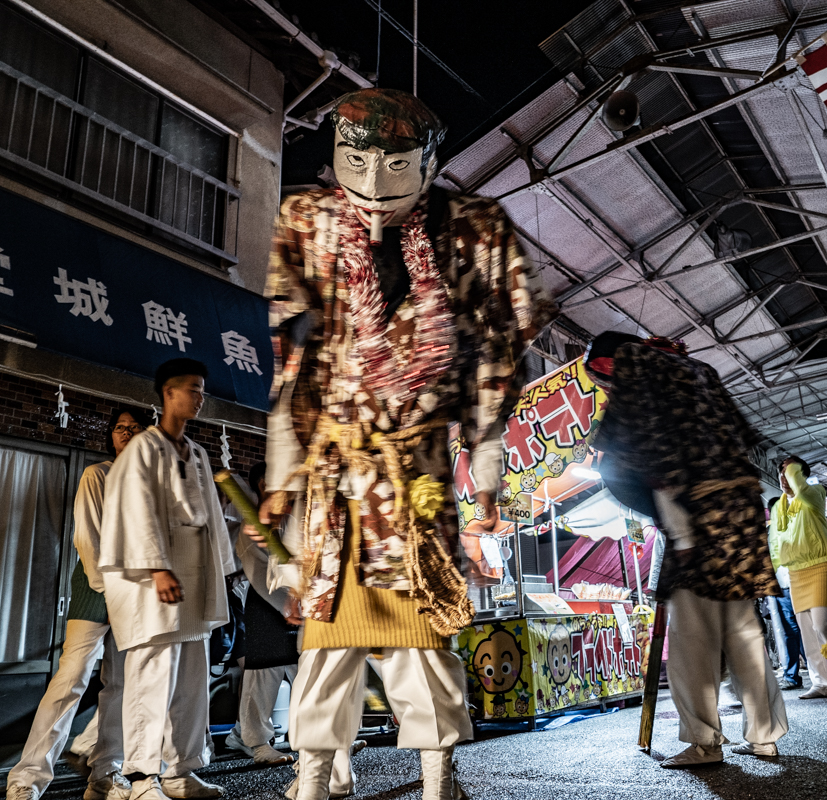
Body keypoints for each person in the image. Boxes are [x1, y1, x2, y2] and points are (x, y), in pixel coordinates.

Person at [260, 88, 554, 800]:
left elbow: (491, 373)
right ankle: (310, 777)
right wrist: (281, 474)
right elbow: (291, 363)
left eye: (394, 162)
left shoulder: (474, 229)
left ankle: (437, 778)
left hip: (417, 477)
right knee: (326, 639)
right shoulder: (307, 219)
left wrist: (486, 487)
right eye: (355, 158)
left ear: (427, 161)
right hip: (335, 476)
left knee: (420, 639)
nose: (371, 180)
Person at [584, 331, 787, 768]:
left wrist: (681, 534)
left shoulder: (639, 369)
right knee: (742, 629)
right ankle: (764, 735)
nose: (606, 393)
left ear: (606, 365)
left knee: (693, 636)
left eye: (603, 384)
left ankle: (704, 740)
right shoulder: (701, 370)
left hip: (692, 512)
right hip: (740, 511)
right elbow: (741, 439)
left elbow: (656, 461)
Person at [99, 359, 236, 800]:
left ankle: (181, 769)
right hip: (154, 579)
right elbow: (135, 509)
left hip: (192, 577)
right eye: (192, 389)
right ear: (168, 394)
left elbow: (212, 519)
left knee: (193, 678)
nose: (199, 398)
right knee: (152, 675)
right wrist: (155, 566)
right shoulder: (143, 447)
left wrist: (221, 572)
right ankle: (141, 777)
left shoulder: (196, 453)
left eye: (202, 390)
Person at [5, 409, 150, 800]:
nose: (127, 432)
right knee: (71, 679)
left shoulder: (149, 482)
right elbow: (88, 537)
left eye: (135, 428)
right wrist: (109, 587)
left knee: (120, 685)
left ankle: (106, 773)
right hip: (96, 587)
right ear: (111, 436)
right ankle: (26, 778)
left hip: (137, 595)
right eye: (120, 427)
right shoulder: (97, 474)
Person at [226, 462, 297, 766]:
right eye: (269, 484)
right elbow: (257, 572)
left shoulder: (293, 520)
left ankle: (316, 736)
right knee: (262, 676)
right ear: (259, 487)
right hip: (268, 604)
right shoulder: (252, 526)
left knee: (307, 671)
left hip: (299, 605)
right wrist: (286, 603)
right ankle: (257, 742)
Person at [769, 457, 827, 698]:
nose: (784, 478)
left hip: (820, 565)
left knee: (823, 624)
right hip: (795, 571)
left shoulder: (815, 493)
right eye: (781, 474)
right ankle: (821, 683)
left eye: (789, 473)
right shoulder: (779, 507)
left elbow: (801, 488)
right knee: (807, 629)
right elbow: (776, 541)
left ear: (800, 475)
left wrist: (791, 469)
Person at [767, 497, 804, 690]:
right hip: (779, 587)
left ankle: (826, 670)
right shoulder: (767, 534)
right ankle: (791, 675)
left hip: (802, 582)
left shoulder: (799, 527)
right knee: (788, 632)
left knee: (807, 628)